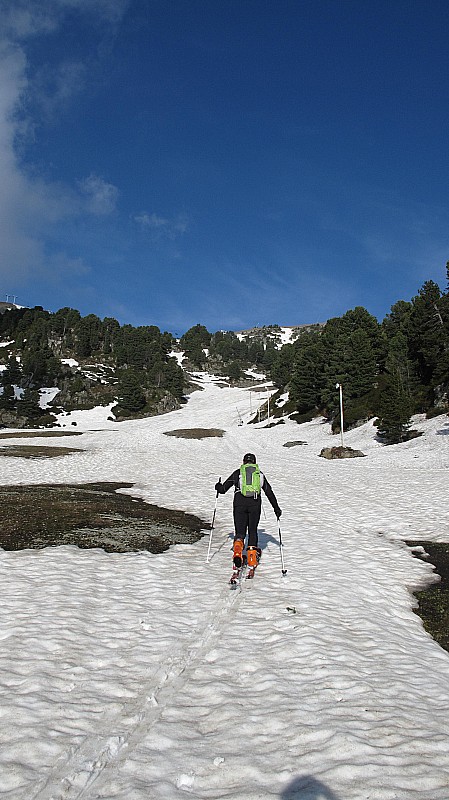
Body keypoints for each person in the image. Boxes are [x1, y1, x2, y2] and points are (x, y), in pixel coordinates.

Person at [215, 453, 282, 569]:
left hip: (239, 504)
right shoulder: (259, 474)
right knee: (252, 530)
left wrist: (218, 486)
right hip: (254, 505)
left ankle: (237, 551)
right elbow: (269, 492)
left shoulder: (238, 473)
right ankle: (251, 558)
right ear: (254, 462)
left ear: (243, 461)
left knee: (240, 531)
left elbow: (223, 489)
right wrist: (276, 508)